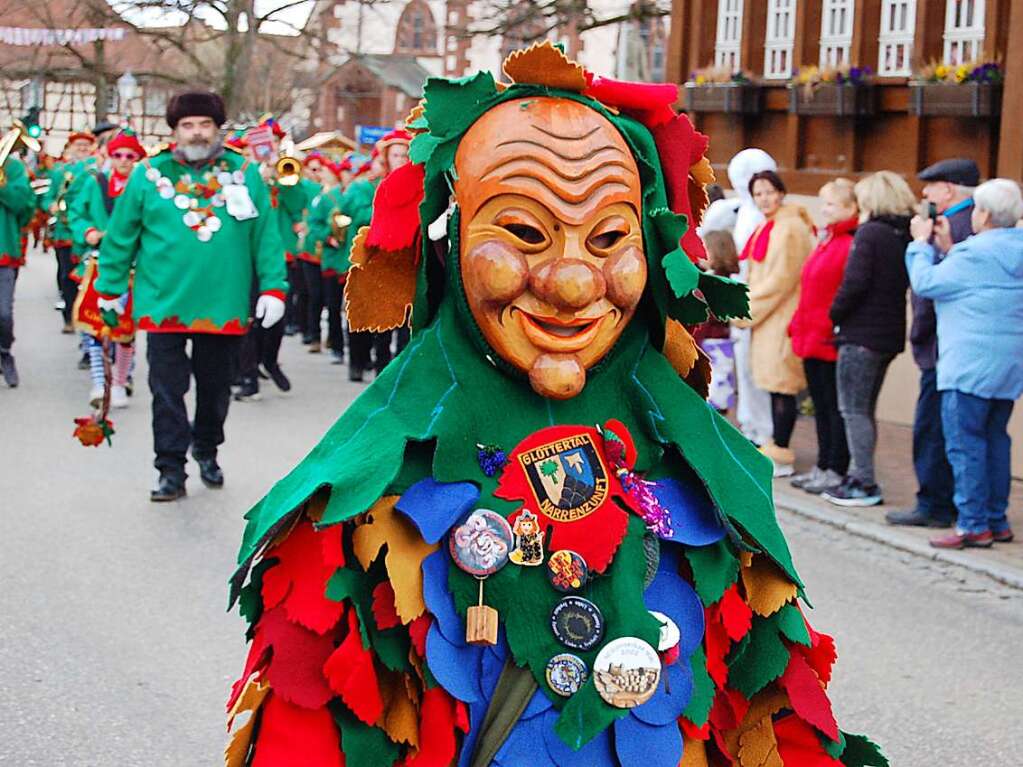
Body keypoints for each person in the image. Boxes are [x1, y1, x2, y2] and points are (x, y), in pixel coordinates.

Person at [225, 42, 884, 766]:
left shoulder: (705, 471)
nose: (573, 283)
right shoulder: (360, 495)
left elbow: (771, 723)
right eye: (524, 234)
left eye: (607, 238)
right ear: (447, 245)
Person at [95, 90, 288, 502]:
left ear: (217, 129)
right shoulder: (147, 175)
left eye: (204, 125)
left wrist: (274, 286)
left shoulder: (244, 173)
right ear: (175, 130)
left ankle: (206, 447)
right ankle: (169, 468)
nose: (196, 133)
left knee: (215, 388)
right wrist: (109, 289)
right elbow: (120, 237)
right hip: (164, 303)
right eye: (188, 125)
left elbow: (266, 237)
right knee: (166, 389)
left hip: (223, 305)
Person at [906, 178, 1023, 548]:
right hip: (1007, 365)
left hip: (968, 365)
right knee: (995, 440)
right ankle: (996, 518)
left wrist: (920, 244)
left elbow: (926, 283)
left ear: (984, 214)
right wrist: (948, 248)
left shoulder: (972, 255)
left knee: (965, 443)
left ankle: (973, 523)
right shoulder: (1014, 249)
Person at [886, 158, 979, 529]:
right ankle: (945, 501)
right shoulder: (966, 223)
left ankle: (935, 503)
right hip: (951, 343)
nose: (925, 193)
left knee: (934, 428)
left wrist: (922, 243)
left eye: (932, 185)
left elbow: (931, 287)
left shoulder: (954, 226)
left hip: (944, 343)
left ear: (950, 189)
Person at [823, 171, 914, 507]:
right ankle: (860, 474)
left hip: (861, 332)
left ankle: (863, 480)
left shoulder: (871, 233)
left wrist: (834, 314)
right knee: (865, 408)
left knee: (853, 409)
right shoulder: (902, 234)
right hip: (888, 333)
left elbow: (854, 283)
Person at [741, 170, 815, 477]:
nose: (764, 199)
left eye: (769, 192)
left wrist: (744, 309)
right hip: (770, 316)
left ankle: (782, 451)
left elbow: (781, 280)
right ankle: (775, 443)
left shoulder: (790, 228)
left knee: (782, 385)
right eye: (758, 194)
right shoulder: (769, 226)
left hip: (783, 315)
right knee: (774, 384)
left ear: (781, 192)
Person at [788, 179, 857, 494]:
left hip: (828, 338)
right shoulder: (827, 240)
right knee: (819, 404)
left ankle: (835, 466)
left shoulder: (848, 244)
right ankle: (823, 463)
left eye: (830, 204)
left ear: (849, 208)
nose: (824, 209)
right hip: (812, 335)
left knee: (832, 406)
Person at [68, 128, 146, 409]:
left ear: (137, 158)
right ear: (109, 156)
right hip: (98, 263)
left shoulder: (143, 185)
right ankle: (99, 383)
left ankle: (120, 381)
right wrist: (87, 231)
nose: (123, 160)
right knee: (93, 325)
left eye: (129, 155)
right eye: (117, 155)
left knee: (125, 330)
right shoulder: (94, 183)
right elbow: (75, 212)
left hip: (133, 267)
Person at [234, 117, 304, 399]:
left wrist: (279, 179)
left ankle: (269, 360)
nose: (268, 148)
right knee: (248, 316)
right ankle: (247, 375)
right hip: (247, 256)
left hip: (279, 254)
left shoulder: (284, 175)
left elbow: (299, 203)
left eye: (273, 142)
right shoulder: (240, 173)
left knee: (276, 318)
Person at [726, 149, 778, 448]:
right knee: (743, 367)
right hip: (740, 295)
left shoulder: (772, 219)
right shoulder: (741, 210)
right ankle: (749, 423)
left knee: (760, 370)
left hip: (757, 302)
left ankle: (764, 429)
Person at [302, 156, 349, 365]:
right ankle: (335, 344)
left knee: (353, 307)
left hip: (352, 259)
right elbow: (314, 224)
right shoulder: (324, 198)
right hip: (331, 257)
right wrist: (328, 237)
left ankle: (359, 349)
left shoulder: (356, 193)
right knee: (330, 304)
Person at [0, 144, 37, 387]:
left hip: (4, 249)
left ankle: (4, 352)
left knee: (3, 313)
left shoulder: (12, 167)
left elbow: (23, 204)